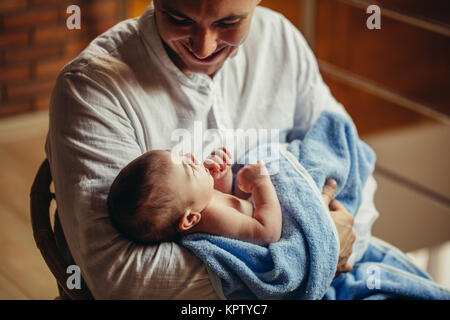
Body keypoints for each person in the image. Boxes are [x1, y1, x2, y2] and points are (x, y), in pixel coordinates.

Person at [46, 0, 370, 299]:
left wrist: (339, 247)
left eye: (229, 22)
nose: (204, 47)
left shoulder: (280, 41)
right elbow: (123, 280)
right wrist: (316, 252)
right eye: (178, 18)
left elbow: (346, 157)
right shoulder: (90, 88)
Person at [107, 148, 282, 246]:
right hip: (268, 215)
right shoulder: (213, 218)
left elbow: (228, 199)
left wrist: (220, 177)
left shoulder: (196, 202)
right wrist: (261, 183)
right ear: (190, 219)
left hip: (251, 203)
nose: (191, 155)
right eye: (189, 168)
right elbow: (267, 233)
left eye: (182, 157)